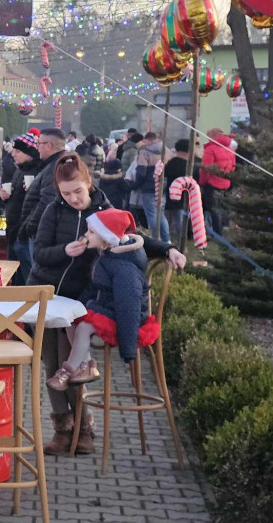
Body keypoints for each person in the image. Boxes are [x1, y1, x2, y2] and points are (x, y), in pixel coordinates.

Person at [30, 155, 186, 455]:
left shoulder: (106, 212)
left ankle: (84, 428)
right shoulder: (53, 210)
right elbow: (39, 254)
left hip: (83, 300)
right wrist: (65, 250)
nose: (73, 198)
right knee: (50, 362)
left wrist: (169, 249)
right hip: (50, 294)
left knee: (71, 365)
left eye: (78, 191)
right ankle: (62, 429)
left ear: (89, 182)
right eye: (66, 193)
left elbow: (136, 239)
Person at [46, 209, 157, 390]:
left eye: (91, 232)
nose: (86, 235)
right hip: (107, 308)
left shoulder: (124, 267)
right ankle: (87, 365)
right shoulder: (106, 255)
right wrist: (78, 307)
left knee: (83, 327)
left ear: (107, 237)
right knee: (72, 320)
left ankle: (68, 370)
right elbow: (94, 288)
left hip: (124, 319)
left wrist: (128, 350)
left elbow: (128, 306)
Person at [17, 127, 67, 265]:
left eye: (39, 144)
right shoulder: (52, 164)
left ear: (49, 145)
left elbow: (47, 201)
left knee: (38, 272)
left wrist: (30, 227)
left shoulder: (55, 166)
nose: (37, 147)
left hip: (42, 230)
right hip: (41, 227)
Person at [1, 131, 40, 284]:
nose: (13, 154)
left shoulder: (37, 171)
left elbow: (36, 202)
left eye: (18, 151)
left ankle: (29, 304)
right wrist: (4, 197)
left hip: (25, 231)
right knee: (15, 274)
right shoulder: (20, 170)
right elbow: (15, 199)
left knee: (27, 273)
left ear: (29, 153)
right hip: (13, 228)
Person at [133, 137, 170, 243]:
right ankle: (166, 239)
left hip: (148, 188)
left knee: (151, 214)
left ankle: (155, 238)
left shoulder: (145, 152)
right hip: (162, 185)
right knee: (161, 214)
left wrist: (134, 185)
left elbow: (141, 173)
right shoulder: (166, 151)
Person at [200, 128, 235, 236]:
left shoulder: (210, 149)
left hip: (212, 183)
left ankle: (217, 234)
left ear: (212, 136)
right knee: (223, 209)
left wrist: (202, 182)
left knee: (214, 210)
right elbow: (233, 167)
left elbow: (205, 168)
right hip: (226, 183)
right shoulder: (230, 148)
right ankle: (225, 229)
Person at [163, 139, 191, 246]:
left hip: (171, 194)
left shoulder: (171, 163)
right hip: (185, 195)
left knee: (169, 217)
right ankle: (181, 240)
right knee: (180, 218)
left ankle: (168, 238)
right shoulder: (189, 165)